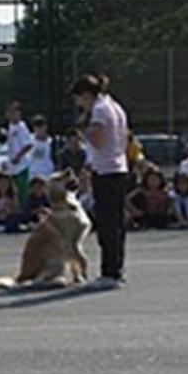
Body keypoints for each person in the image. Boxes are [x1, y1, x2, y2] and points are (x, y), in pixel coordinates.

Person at [72, 73, 130, 289]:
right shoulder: (114, 106)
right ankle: (116, 269)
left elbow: (97, 139)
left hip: (106, 172)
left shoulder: (99, 110)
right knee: (116, 223)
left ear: (86, 95)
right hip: (117, 167)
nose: (79, 104)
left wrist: (82, 130)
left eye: (79, 99)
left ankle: (110, 272)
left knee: (107, 224)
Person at [5, 101, 33, 205]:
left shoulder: (22, 127)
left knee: (22, 192)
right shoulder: (10, 127)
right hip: (12, 167)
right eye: (10, 112)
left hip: (22, 166)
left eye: (15, 111)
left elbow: (29, 144)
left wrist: (18, 156)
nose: (12, 114)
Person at [29, 115, 55, 180]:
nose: (39, 128)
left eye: (41, 126)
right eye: (36, 126)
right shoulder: (28, 140)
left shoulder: (51, 142)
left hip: (47, 174)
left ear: (45, 126)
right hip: (32, 175)